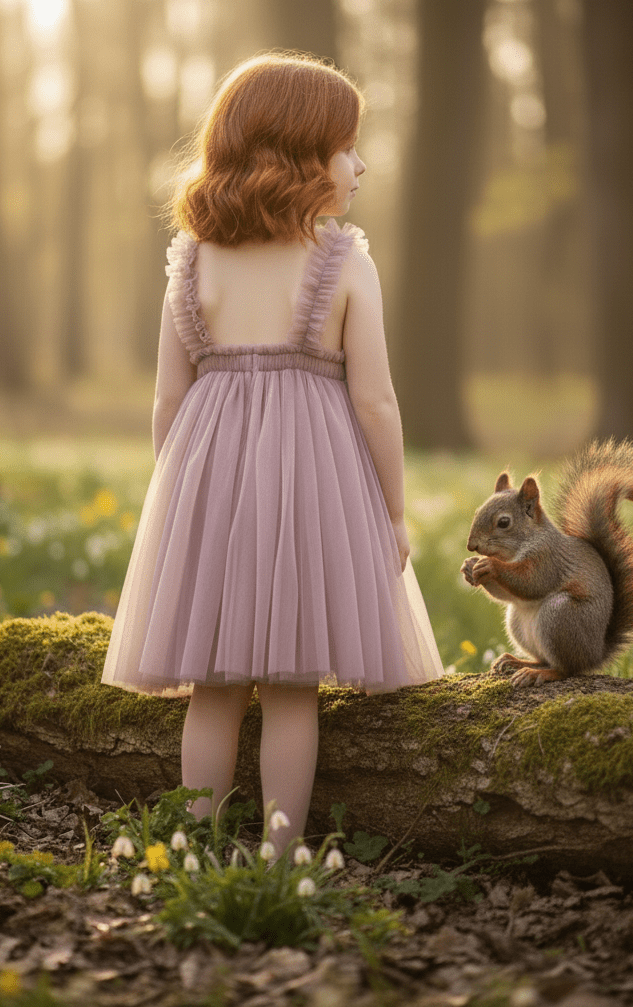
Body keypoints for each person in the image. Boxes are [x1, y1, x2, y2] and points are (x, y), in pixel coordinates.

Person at [101, 52, 442, 853]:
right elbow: (375, 400)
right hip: (316, 488)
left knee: (213, 689)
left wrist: (176, 496)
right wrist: (392, 511)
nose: (361, 164)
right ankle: (280, 859)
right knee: (293, 688)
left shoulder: (192, 264)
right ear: (301, 154)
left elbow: (168, 401)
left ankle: (192, 847)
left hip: (207, 486)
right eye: (348, 146)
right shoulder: (344, 265)